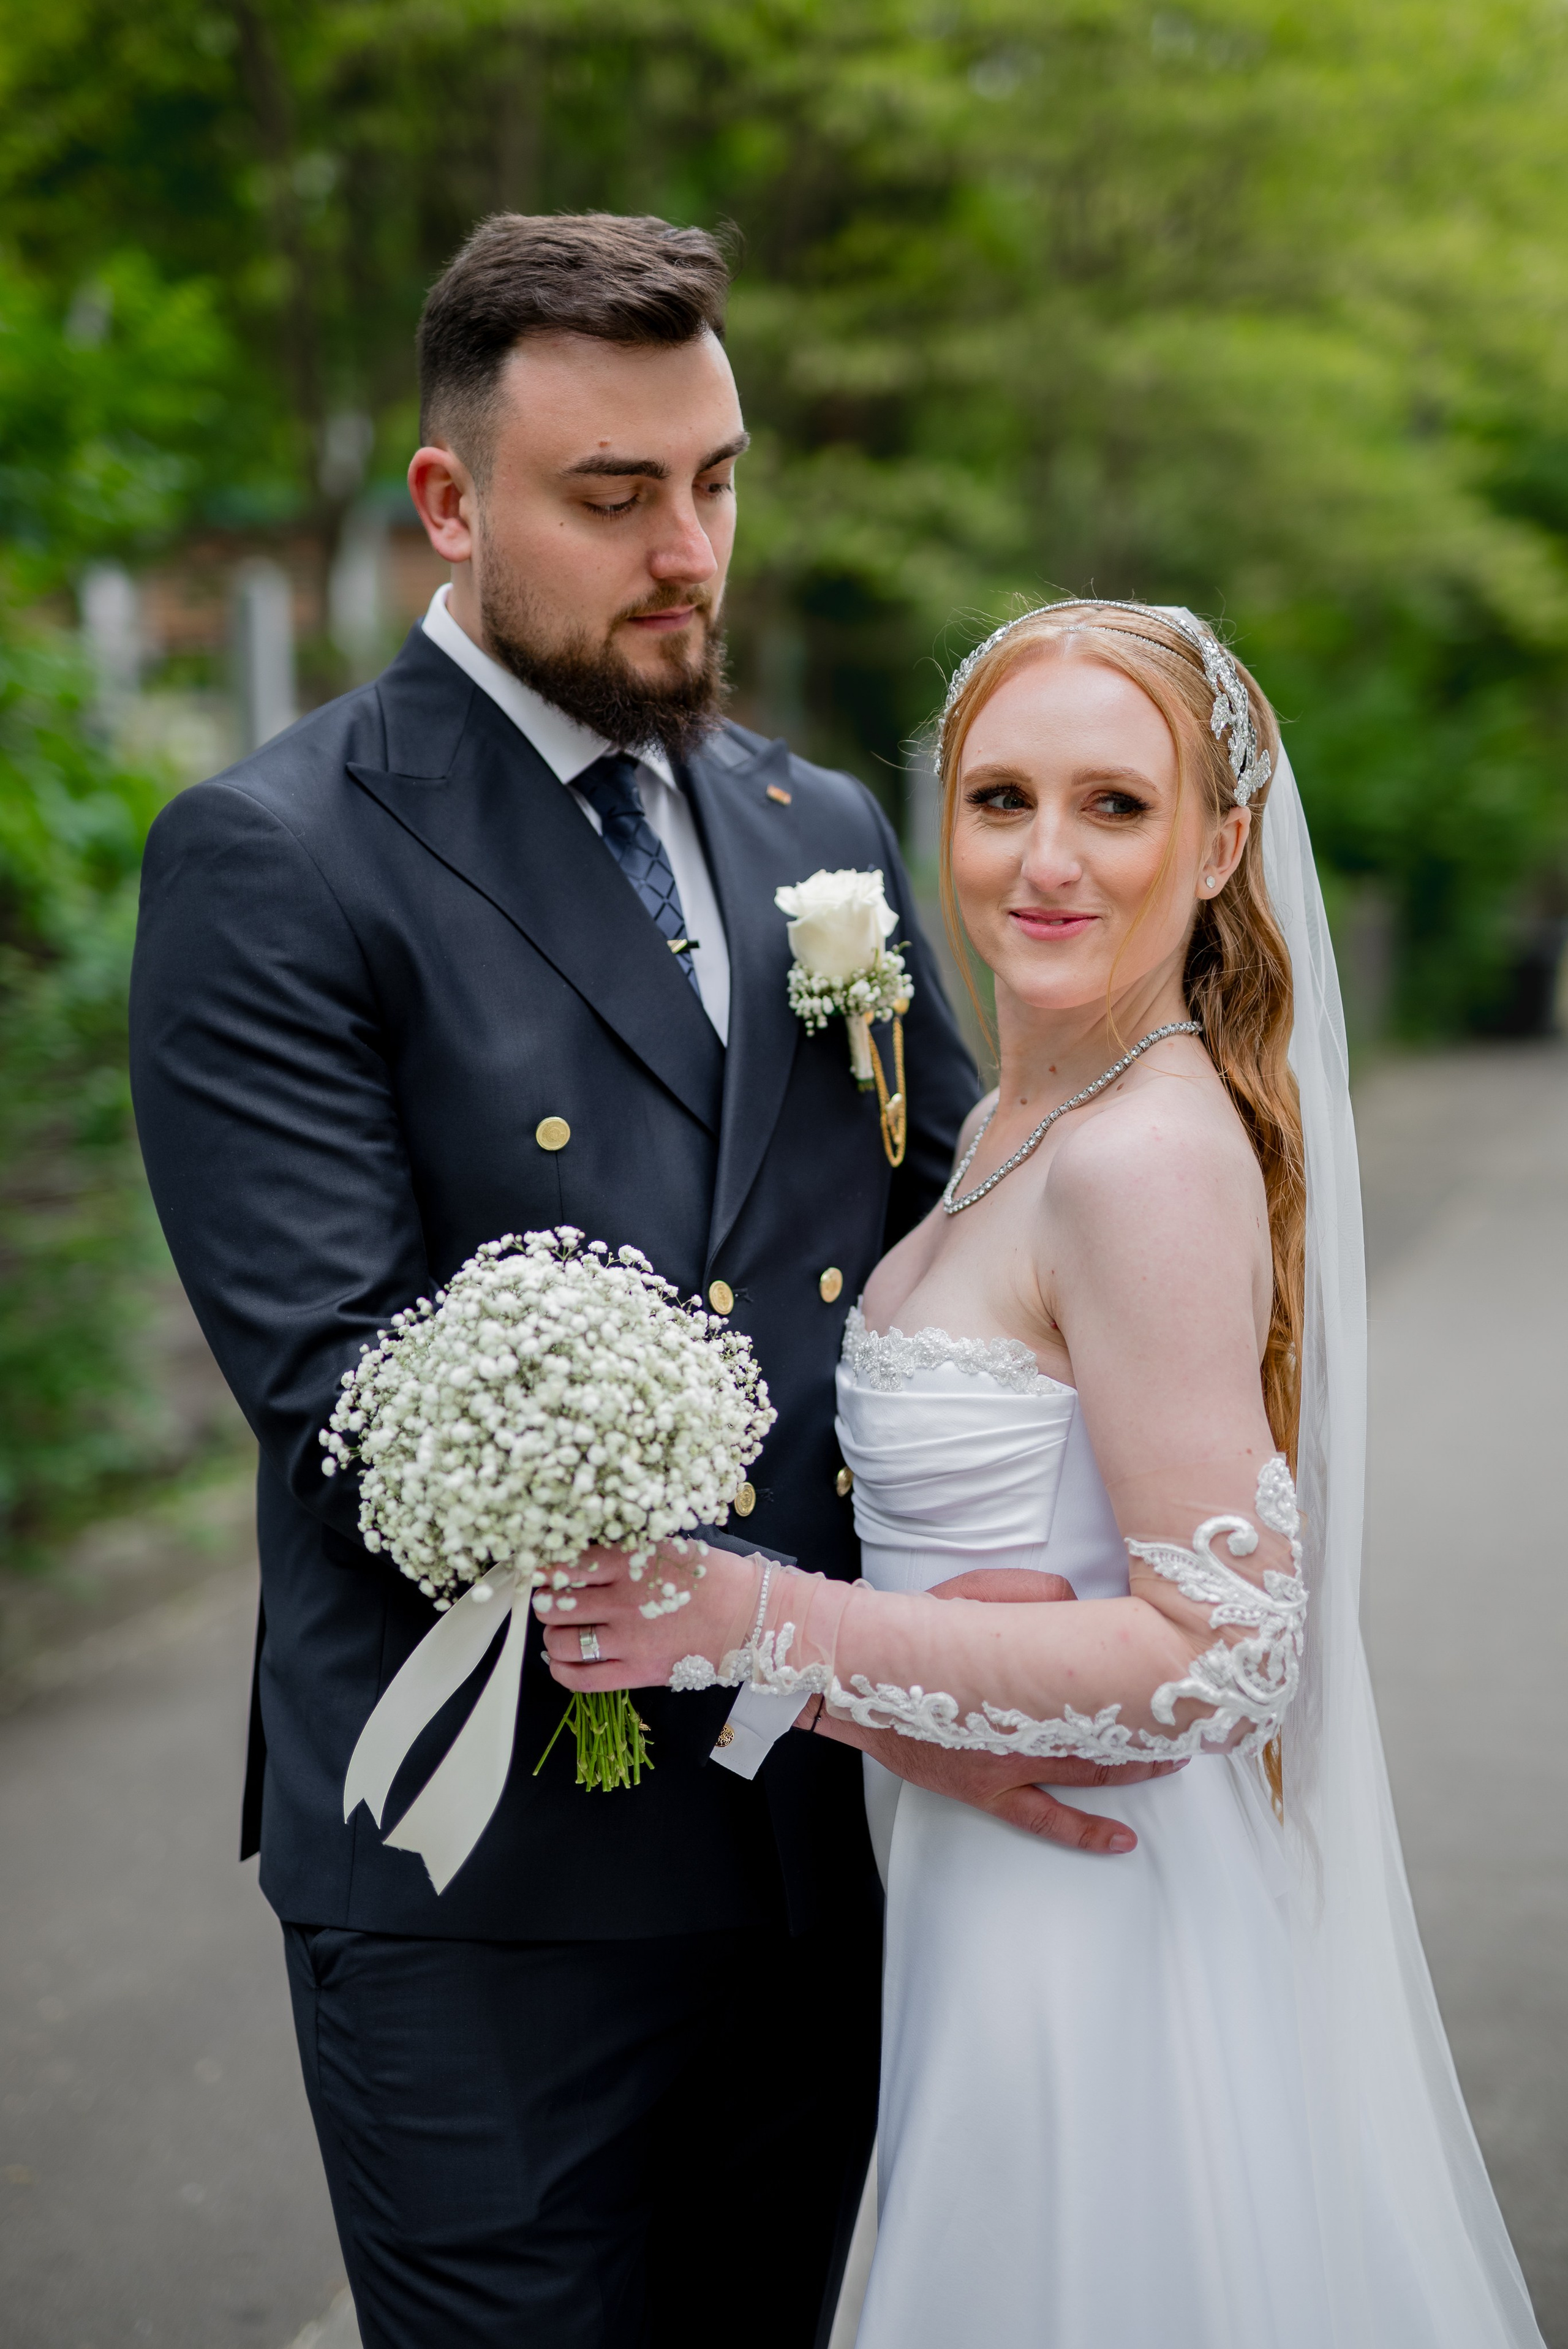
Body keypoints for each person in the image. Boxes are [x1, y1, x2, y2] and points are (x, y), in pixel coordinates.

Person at [128, 217, 1172, 2349]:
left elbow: (973, 1254)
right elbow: (350, 1409)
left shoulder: (819, 828)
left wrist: (988, 1645)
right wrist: (838, 1664)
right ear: (450, 503)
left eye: (715, 478)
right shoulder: (279, 852)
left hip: (817, 1856)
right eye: (613, 496)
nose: (686, 544)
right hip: (489, 1881)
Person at [549, 600, 1548, 2348]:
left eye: (1116, 805)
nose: (1045, 861)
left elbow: (1223, 1648)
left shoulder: (1144, 1160)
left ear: (1224, 843)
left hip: (1103, 1919)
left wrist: (755, 1620)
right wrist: (851, 1683)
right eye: (1001, 798)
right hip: (980, 1870)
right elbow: (970, 1595)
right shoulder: (1015, 1119)